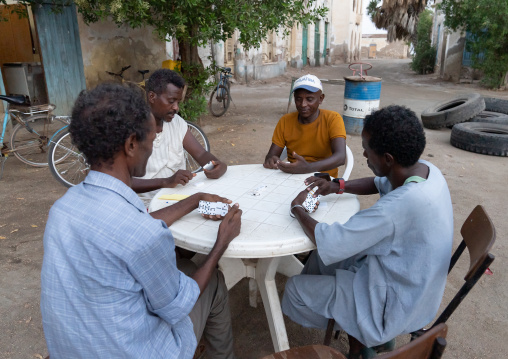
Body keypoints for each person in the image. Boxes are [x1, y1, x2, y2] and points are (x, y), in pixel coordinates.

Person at [40, 83, 242, 359]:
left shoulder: (62, 209)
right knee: (214, 280)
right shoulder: (142, 234)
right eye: (152, 137)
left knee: (182, 265)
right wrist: (220, 244)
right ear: (131, 144)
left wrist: (194, 200)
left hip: (73, 349)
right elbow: (178, 305)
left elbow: (132, 229)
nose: (154, 143)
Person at [282, 105, 453, 358]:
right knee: (322, 261)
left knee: (294, 290)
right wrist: (337, 185)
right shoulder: (425, 171)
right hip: (420, 288)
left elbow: (329, 239)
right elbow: (377, 182)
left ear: (387, 159)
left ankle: (365, 336)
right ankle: (352, 320)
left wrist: (298, 209)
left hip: (394, 306)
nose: (363, 153)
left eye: (367, 148)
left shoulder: (396, 208)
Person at [131, 69, 227, 206]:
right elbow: (121, 181)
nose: (176, 108)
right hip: (145, 205)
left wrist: (217, 165)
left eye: (178, 102)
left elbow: (201, 153)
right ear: (152, 97)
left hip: (178, 198)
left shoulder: (177, 123)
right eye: (171, 101)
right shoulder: (130, 130)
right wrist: (166, 182)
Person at [263, 74, 347, 178]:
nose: (303, 104)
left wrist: (307, 168)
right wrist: (272, 159)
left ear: (321, 99)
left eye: (309, 99)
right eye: (298, 99)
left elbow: (340, 157)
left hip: (324, 181)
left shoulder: (332, 119)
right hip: (292, 177)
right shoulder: (285, 121)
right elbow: (271, 155)